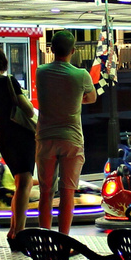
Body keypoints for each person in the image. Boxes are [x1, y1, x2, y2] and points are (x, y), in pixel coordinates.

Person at [34, 31, 97, 235]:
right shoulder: (81, 75)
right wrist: (75, 99)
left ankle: (44, 237)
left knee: (46, 192)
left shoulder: (41, 71)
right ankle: (64, 239)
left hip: (45, 138)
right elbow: (92, 98)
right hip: (72, 139)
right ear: (73, 51)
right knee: (68, 192)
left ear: (51, 49)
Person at [0, 45, 39, 238]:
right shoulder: (9, 81)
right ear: (1, 62)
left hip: (4, 137)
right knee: (25, 183)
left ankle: (14, 229)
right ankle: (18, 230)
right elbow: (29, 111)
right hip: (22, 135)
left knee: (19, 182)